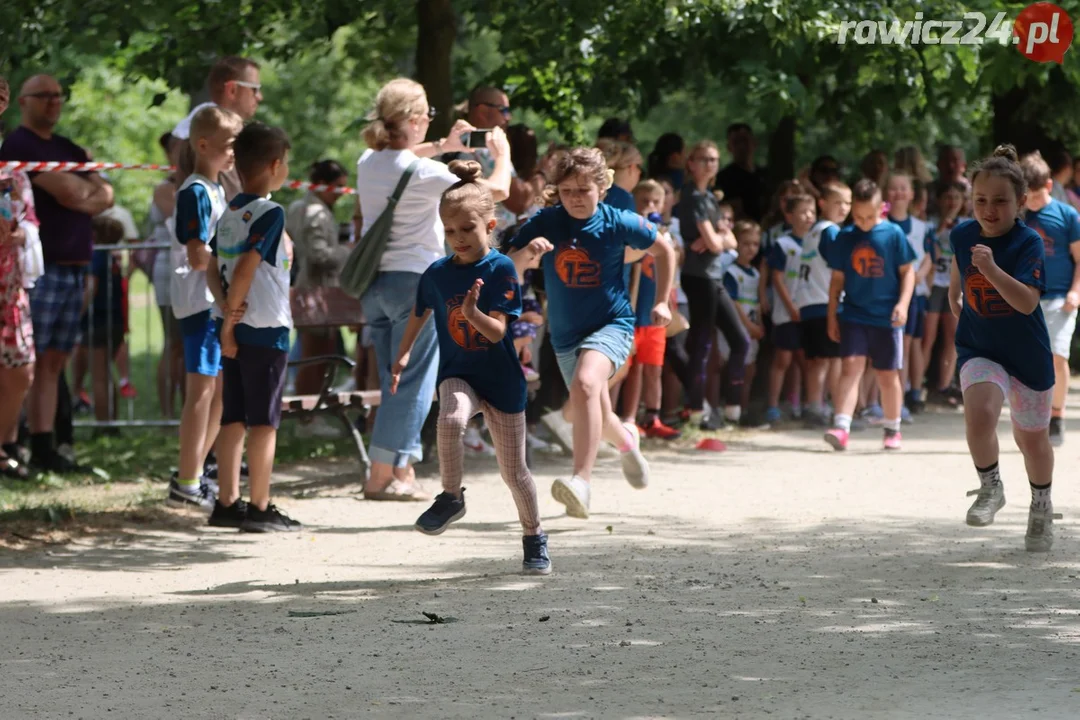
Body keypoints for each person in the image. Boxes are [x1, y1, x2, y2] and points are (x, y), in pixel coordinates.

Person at [391, 160, 550, 574]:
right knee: (450, 417)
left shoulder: (501, 269)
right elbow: (419, 311)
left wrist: (471, 312)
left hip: (502, 382)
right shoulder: (437, 273)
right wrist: (404, 353)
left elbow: (497, 332)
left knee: (514, 473)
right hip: (458, 373)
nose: (458, 239)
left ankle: (534, 537)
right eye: (450, 231)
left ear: (490, 224)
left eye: (468, 229)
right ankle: (450, 497)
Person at [355, 78, 510, 501]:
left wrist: (443, 145)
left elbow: (403, 157)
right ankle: (380, 475)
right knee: (413, 383)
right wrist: (503, 155)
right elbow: (495, 192)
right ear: (411, 118)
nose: (429, 122)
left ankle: (397, 470)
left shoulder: (368, 160)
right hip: (414, 286)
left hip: (375, 286)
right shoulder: (423, 172)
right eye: (426, 116)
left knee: (394, 378)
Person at [506, 147, 675, 520]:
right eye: (567, 192)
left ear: (602, 186)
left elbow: (664, 250)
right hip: (565, 337)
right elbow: (510, 266)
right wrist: (526, 255)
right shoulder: (547, 221)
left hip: (613, 326)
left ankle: (581, 482)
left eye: (584, 190)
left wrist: (661, 302)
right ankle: (627, 441)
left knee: (585, 385)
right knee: (594, 409)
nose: (576, 199)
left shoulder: (618, 221)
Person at [0, 74, 114, 473]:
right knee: (22, 362)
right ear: (23, 102)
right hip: (36, 272)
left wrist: (86, 191)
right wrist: (85, 191)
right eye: (43, 96)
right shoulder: (18, 145)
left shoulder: (68, 148)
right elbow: (75, 193)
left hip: (74, 267)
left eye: (58, 96)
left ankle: (46, 445)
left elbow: (106, 194)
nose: (53, 102)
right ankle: (12, 444)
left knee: (52, 361)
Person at [950, 145, 1057, 552]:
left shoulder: (1028, 242)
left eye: (999, 201)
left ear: (1021, 202)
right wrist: (954, 295)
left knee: (1032, 441)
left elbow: (1028, 302)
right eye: (980, 200)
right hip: (979, 347)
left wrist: (992, 270)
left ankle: (1041, 506)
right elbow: (958, 273)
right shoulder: (962, 233)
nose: (989, 209)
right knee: (980, 414)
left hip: (1028, 355)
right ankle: (990, 486)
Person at [207, 122, 298, 532]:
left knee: (234, 417)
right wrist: (230, 321)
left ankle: (227, 503)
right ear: (276, 166)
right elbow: (245, 267)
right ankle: (260, 507)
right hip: (264, 328)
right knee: (264, 422)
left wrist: (225, 312)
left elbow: (213, 267)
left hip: (236, 328)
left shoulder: (229, 211)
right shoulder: (271, 212)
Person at [168, 106, 243, 510]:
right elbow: (198, 256)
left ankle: (194, 473)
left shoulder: (216, 189)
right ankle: (186, 479)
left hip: (214, 303)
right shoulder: (195, 191)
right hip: (199, 303)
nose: (235, 153)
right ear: (203, 145)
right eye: (231, 145)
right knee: (201, 391)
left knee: (217, 391)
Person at [824, 179, 916, 451]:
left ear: (880, 209)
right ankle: (841, 426)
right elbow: (836, 281)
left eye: (870, 216)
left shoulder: (894, 234)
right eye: (858, 216)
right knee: (851, 366)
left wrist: (903, 304)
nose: (864, 222)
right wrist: (832, 316)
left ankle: (892, 428)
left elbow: (907, 272)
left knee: (887, 375)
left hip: (886, 317)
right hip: (853, 313)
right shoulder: (845, 237)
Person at [677, 141, 747, 429]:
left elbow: (730, 242)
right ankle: (697, 410)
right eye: (703, 159)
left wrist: (715, 239)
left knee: (740, 340)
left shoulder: (709, 199)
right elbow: (718, 244)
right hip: (699, 278)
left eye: (714, 159)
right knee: (703, 344)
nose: (709, 164)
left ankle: (731, 407)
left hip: (714, 277)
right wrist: (715, 239)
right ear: (691, 163)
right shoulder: (692, 196)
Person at [286, 159, 353, 437]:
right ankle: (307, 419)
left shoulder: (299, 207)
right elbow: (318, 255)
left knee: (320, 354)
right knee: (314, 356)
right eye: (338, 186)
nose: (342, 192)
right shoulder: (316, 212)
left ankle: (310, 415)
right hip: (315, 291)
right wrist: (347, 251)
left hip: (313, 289)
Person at [1019, 151, 1080, 447]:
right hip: (1027, 298)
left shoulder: (1068, 215)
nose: (1031, 202)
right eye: (1026, 196)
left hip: (1060, 298)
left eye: (1036, 195)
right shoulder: (1019, 217)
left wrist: (1076, 290)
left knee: (1058, 356)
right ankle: (1035, 416)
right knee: (1028, 360)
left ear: (1049, 184)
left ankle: (1057, 416)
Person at [620, 179, 680, 439]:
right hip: (632, 310)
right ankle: (626, 418)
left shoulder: (666, 233)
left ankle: (652, 416)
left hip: (654, 313)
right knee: (628, 369)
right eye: (644, 201)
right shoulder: (628, 233)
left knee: (653, 366)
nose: (650, 206)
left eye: (655, 202)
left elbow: (676, 260)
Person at [796, 182, 851, 426]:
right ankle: (834, 409)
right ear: (823, 203)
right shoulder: (830, 231)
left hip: (809, 303)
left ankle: (816, 405)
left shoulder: (812, 231)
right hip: (825, 303)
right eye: (837, 202)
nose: (843, 208)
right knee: (831, 360)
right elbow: (840, 267)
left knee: (818, 360)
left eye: (847, 203)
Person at [172, 56, 263, 200]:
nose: (259, 97)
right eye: (255, 89)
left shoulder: (204, 132)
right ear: (232, 90)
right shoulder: (213, 139)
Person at [764, 193, 816, 424]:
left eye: (812, 212)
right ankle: (773, 406)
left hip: (809, 310)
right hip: (786, 312)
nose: (808, 217)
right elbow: (777, 278)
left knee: (806, 360)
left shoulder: (816, 242)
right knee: (783, 359)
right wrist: (790, 307)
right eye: (803, 212)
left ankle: (803, 403)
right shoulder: (783, 244)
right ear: (789, 215)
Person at [885, 172, 932, 418]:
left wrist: (916, 278)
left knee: (903, 347)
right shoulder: (880, 225)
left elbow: (927, 258)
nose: (899, 193)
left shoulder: (922, 227)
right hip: (883, 294)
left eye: (904, 188)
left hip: (911, 297)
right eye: (894, 188)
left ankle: (901, 399)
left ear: (912, 194)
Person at [148, 131, 185, 419]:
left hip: (188, 271)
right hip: (169, 273)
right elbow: (184, 223)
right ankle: (166, 413)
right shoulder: (165, 189)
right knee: (172, 343)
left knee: (185, 344)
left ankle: (186, 408)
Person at [78, 216, 126, 429]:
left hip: (98, 322)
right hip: (114, 321)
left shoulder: (96, 256)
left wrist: (76, 313)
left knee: (99, 375)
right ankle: (111, 420)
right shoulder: (111, 257)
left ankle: (103, 424)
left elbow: (90, 288)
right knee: (107, 372)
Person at [923, 181, 966, 406]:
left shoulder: (968, 225)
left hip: (954, 286)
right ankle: (915, 388)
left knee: (952, 338)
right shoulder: (929, 224)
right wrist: (942, 225)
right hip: (933, 286)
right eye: (947, 197)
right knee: (927, 338)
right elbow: (929, 247)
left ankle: (944, 386)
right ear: (939, 200)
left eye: (956, 198)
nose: (951, 203)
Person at [723, 221, 765, 412]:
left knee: (750, 370)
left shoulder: (755, 273)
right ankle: (725, 407)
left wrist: (759, 326)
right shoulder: (730, 272)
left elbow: (756, 303)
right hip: (737, 327)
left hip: (752, 328)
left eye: (755, 244)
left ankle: (744, 410)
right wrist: (749, 326)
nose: (751, 248)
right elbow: (734, 303)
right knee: (727, 366)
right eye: (746, 243)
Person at [714, 123, 767, 222]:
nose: (741, 146)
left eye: (745, 141)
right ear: (729, 147)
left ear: (754, 143)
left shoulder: (766, 175)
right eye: (736, 142)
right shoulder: (723, 178)